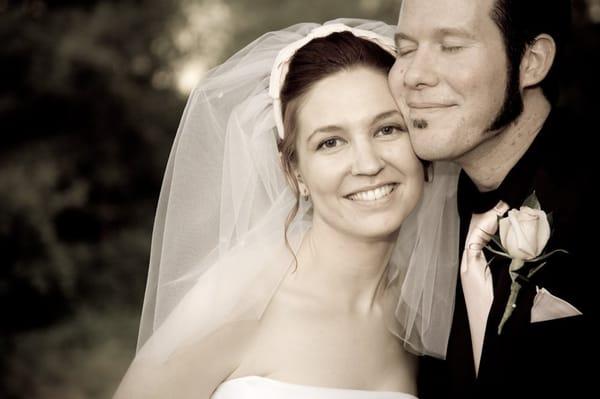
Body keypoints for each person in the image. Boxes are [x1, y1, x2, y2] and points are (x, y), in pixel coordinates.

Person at [113, 20, 461, 399]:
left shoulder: (419, 317)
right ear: (295, 172)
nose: (367, 163)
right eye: (330, 142)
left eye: (387, 130)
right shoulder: (241, 301)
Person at [389, 0, 594, 397]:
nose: (413, 75)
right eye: (405, 49)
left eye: (451, 46)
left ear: (532, 61)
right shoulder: (418, 220)